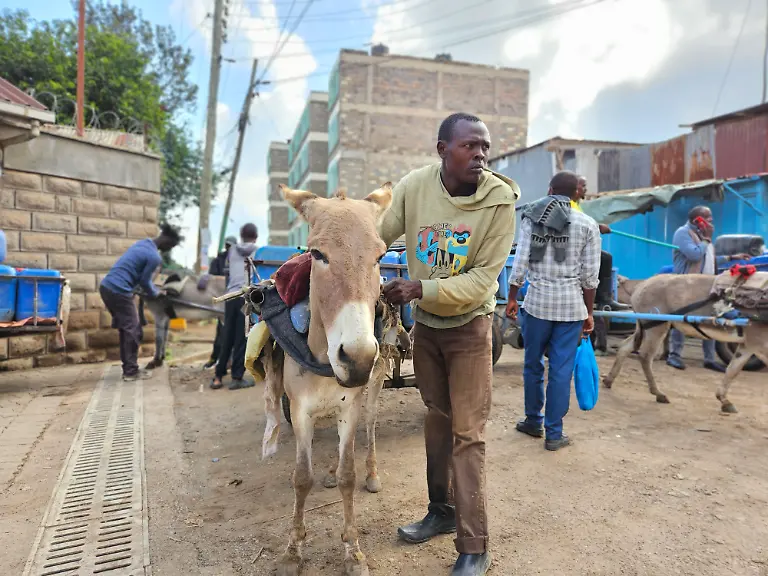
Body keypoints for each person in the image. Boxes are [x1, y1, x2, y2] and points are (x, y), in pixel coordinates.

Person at [379, 112, 518, 576]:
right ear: (443, 150)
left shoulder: (498, 200)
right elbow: (379, 233)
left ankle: (475, 545)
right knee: (437, 421)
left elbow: (481, 282)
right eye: (470, 146)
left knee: (468, 434)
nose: (480, 154)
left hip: (470, 329)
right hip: (427, 329)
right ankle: (440, 511)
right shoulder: (415, 186)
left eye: (485, 147)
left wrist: (419, 288)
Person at [506, 171, 601, 451]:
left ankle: (533, 420)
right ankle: (554, 434)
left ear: (549, 190)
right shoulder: (588, 224)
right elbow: (590, 277)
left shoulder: (532, 218)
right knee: (560, 370)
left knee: (532, 363)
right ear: (576, 194)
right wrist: (589, 312)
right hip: (571, 310)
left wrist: (512, 297)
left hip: (536, 305)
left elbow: (520, 262)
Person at [666, 206, 749, 372]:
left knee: (712, 317)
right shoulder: (683, 233)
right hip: (688, 283)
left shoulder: (703, 235)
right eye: (707, 218)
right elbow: (694, 255)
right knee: (681, 317)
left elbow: (708, 258)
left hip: (707, 284)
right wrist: (707, 239)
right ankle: (674, 355)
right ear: (697, 220)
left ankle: (709, 359)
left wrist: (731, 257)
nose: (711, 221)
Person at [100, 223, 181, 381]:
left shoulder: (143, 243)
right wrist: (156, 293)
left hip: (107, 287)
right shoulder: (154, 256)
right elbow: (145, 281)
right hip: (119, 291)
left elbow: (136, 275)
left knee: (126, 329)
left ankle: (129, 368)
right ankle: (130, 372)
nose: (168, 250)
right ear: (167, 240)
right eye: (170, 246)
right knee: (134, 330)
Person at [210, 224, 258, 391]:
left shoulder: (231, 251)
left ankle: (218, 377)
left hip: (230, 297)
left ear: (241, 236)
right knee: (241, 339)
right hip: (245, 298)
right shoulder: (258, 250)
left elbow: (227, 273)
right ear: (255, 237)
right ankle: (237, 378)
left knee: (227, 337)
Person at [575, 176, 628, 312]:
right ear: (574, 187)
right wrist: (598, 227)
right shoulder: (570, 204)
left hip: (579, 246)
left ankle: (602, 297)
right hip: (574, 249)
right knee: (605, 258)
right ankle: (604, 299)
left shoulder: (576, 204)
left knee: (604, 257)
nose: (586, 189)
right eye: (583, 186)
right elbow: (577, 224)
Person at [203, 235, 237, 369]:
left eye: (231, 246)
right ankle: (215, 358)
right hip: (221, 300)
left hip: (236, 299)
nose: (229, 248)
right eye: (228, 246)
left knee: (235, 333)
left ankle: (230, 361)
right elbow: (212, 278)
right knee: (221, 332)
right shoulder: (218, 261)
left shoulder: (240, 261)